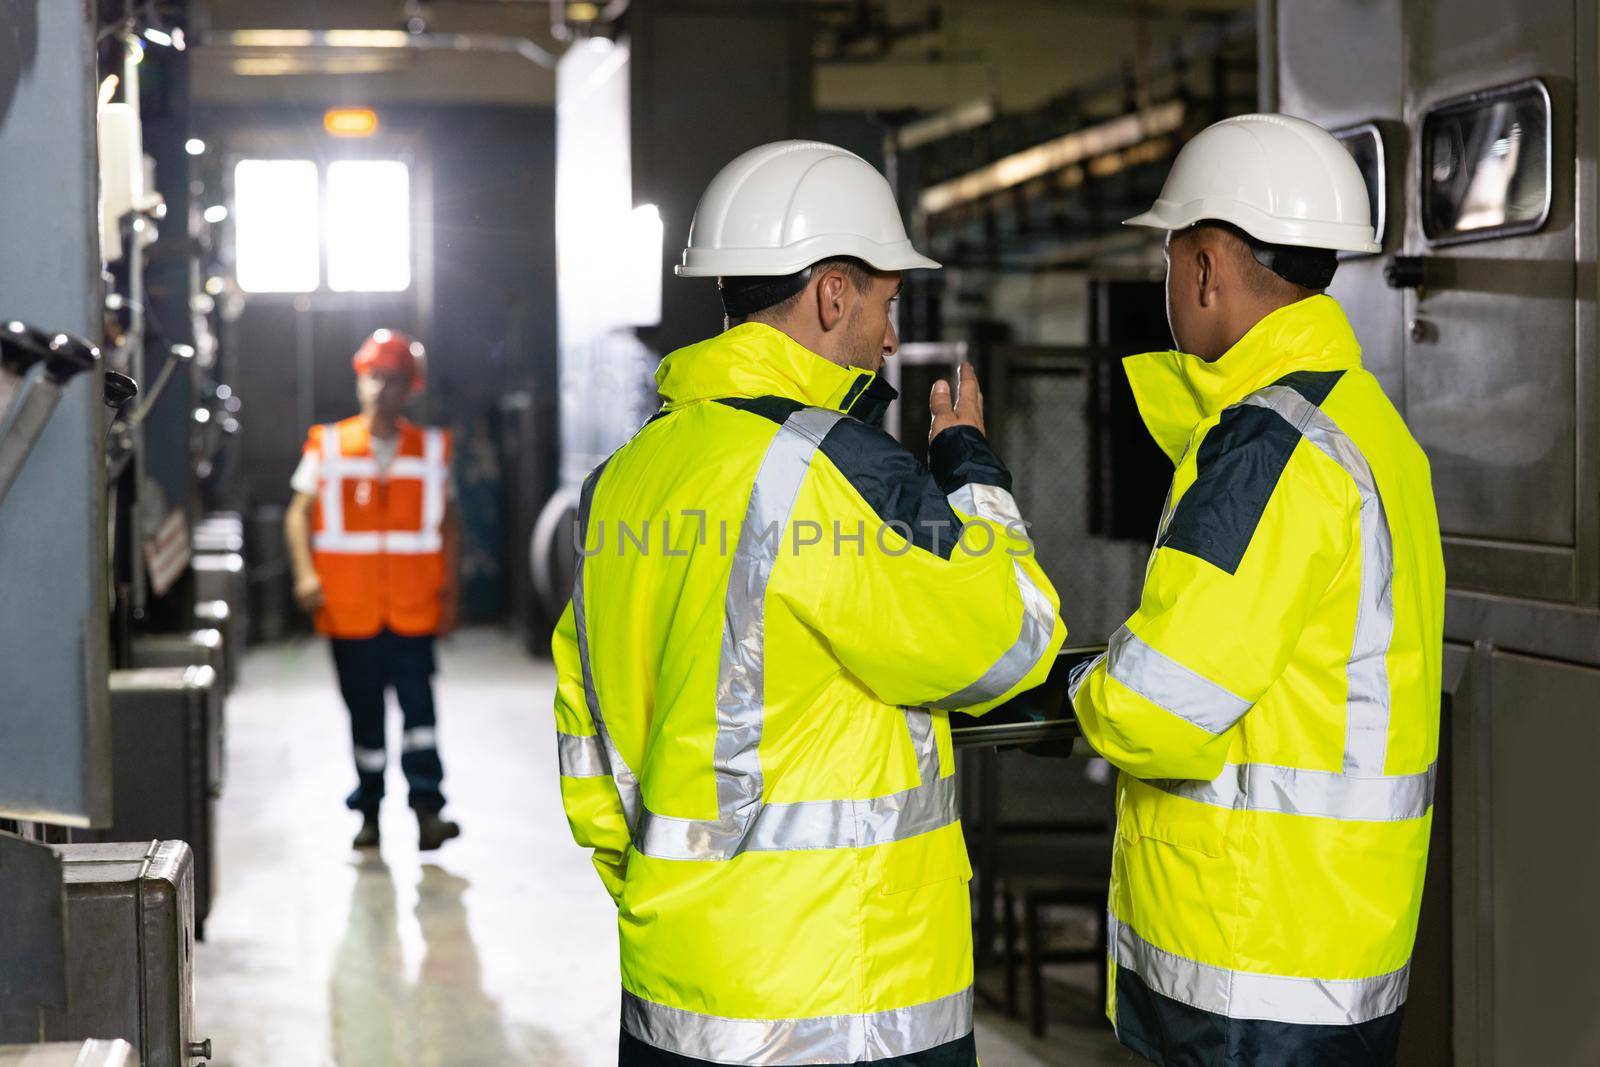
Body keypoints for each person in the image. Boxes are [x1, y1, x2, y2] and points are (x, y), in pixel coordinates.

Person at [552, 140, 1066, 1066]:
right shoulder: (839, 469)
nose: (893, 338)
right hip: (845, 1006)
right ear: (833, 294)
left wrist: (670, 902)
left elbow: (587, 751)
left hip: (674, 995)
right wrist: (973, 472)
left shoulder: (620, 483)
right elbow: (1012, 637)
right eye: (886, 303)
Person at [1068, 114, 1445, 1066]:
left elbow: (1157, 705)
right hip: (1329, 946)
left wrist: (1083, 687)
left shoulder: (1263, 450)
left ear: (1204, 267)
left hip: (1248, 961)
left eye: (1169, 252)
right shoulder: (1366, 424)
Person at [284, 329, 463, 852]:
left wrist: (448, 592)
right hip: (350, 608)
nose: (379, 388)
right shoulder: (329, 444)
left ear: (410, 388)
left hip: (412, 607)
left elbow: (450, 523)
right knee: (365, 715)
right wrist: (304, 574)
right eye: (373, 376)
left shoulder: (430, 449)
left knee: (420, 717)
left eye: (392, 379)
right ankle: (369, 815)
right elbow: (298, 514)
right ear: (360, 379)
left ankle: (428, 812)